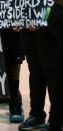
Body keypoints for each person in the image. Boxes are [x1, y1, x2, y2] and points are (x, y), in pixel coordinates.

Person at [40, 2, 63, 131]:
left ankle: (54, 123)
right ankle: (54, 122)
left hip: (53, 11)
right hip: (53, 11)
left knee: (57, 79)